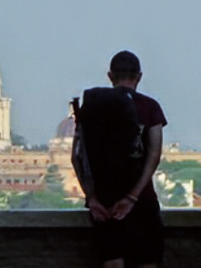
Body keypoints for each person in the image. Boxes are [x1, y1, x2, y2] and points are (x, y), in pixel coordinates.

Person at [72, 50, 167, 268]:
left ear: (110, 76)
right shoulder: (150, 107)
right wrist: (132, 197)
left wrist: (93, 198)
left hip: (105, 204)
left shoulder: (92, 107)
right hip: (141, 202)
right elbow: (154, 154)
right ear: (139, 76)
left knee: (113, 263)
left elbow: (77, 156)